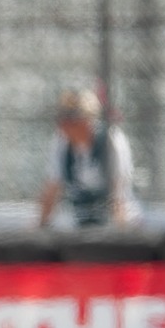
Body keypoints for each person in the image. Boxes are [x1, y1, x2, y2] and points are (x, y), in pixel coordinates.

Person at [37, 88, 140, 228]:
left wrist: (121, 237)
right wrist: (39, 227)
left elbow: (119, 194)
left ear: (88, 119)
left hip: (114, 222)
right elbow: (52, 188)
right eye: (62, 118)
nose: (65, 125)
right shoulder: (61, 143)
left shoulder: (111, 140)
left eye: (72, 118)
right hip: (80, 221)